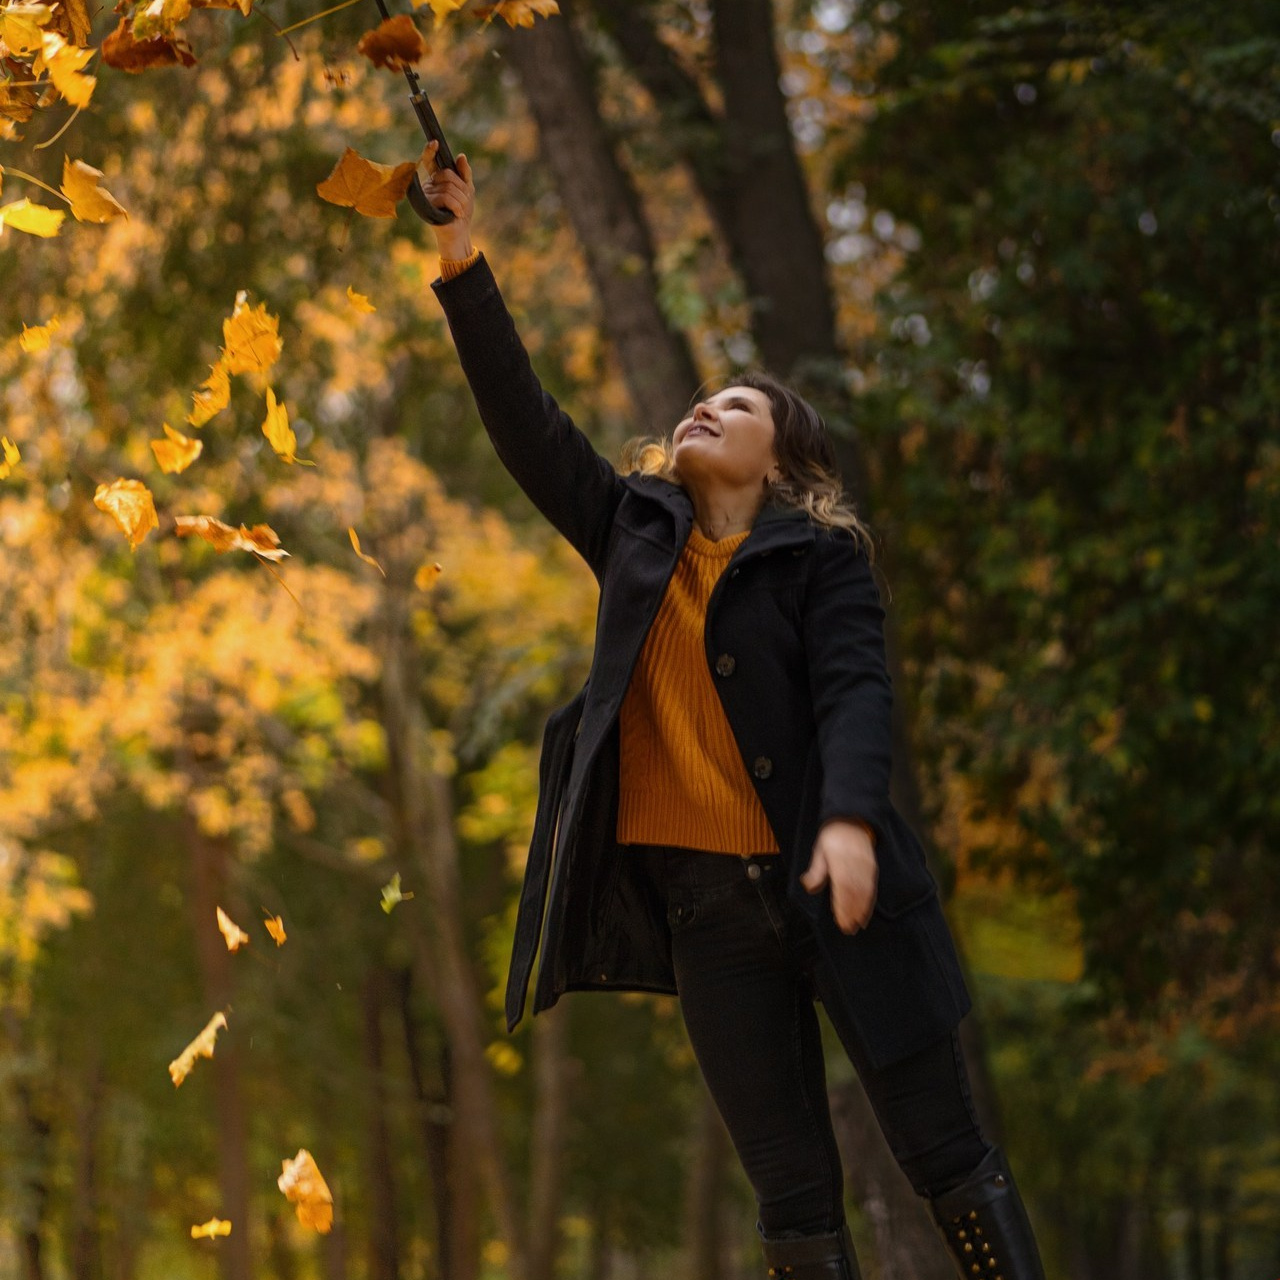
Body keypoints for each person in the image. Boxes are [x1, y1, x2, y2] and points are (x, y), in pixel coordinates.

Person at [419, 142, 1047, 1280]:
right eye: (703, 399)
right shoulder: (629, 531)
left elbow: (857, 694)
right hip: (705, 914)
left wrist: (847, 823)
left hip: (838, 887)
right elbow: (524, 420)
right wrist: (461, 253)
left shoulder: (822, 561)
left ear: (784, 464)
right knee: (792, 1202)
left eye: (739, 403)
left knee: (944, 1153)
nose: (706, 404)